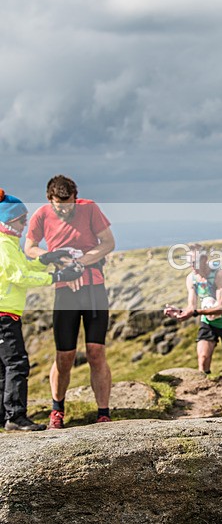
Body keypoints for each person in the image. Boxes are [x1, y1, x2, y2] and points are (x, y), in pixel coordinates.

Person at [25, 175, 116, 429]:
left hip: (94, 286)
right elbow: (30, 248)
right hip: (64, 291)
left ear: (76, 198)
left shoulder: (89, 208)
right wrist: (54, 257)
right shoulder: (42, 214)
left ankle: (103, 412)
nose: (65, 209)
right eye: (59, 205)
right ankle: (57, 410)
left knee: (96, 352)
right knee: (65, 356)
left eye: (69, 204)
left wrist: (80, 263)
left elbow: (108, 242)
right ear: (49, 200)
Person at [0, 189, 83, 431]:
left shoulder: (9, 244)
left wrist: (47, 258)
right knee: (17, 363)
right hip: (4, 314)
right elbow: (19, 275)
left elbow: (26, 264)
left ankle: (4, 415)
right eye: (20, 219)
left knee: (4, 366)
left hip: (6, 313)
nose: (25, 224)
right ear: (7, 220)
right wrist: (57, 276)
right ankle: (15, 416)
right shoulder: (4, 245)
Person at [164, 245, 222, 373]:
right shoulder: (191, 279)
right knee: (203, 359)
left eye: (194, 262)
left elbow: (221, 308)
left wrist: (195, 313)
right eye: (189, 262)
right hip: (208, 322)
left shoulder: (220, 274)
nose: (192, 266)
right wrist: (179, 312)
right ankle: (205, 390)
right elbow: (191, 306)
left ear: (204, 259)